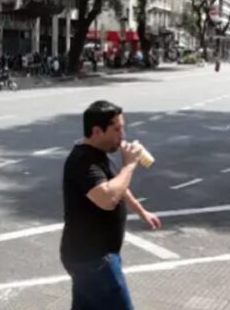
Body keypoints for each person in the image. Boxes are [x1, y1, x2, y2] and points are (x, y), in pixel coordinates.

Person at [61, 100, 161, 310]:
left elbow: (118, 185)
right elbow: (107, 198)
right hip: (94, 258)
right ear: (97, 131)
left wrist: (141, 211)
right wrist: (129, 165)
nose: (122, 135)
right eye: (116, 129)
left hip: (90, 256)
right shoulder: (83, 161)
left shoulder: (99, 154)